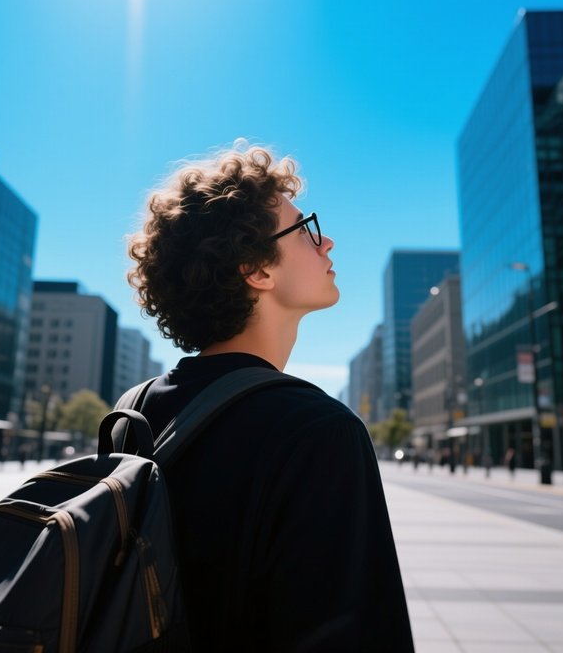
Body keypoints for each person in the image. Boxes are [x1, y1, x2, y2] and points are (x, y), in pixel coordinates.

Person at [126, 143, 415, 651]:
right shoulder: (319, 431)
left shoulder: (134, 411)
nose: (325, 243)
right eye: (305, 230)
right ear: (257, 270)